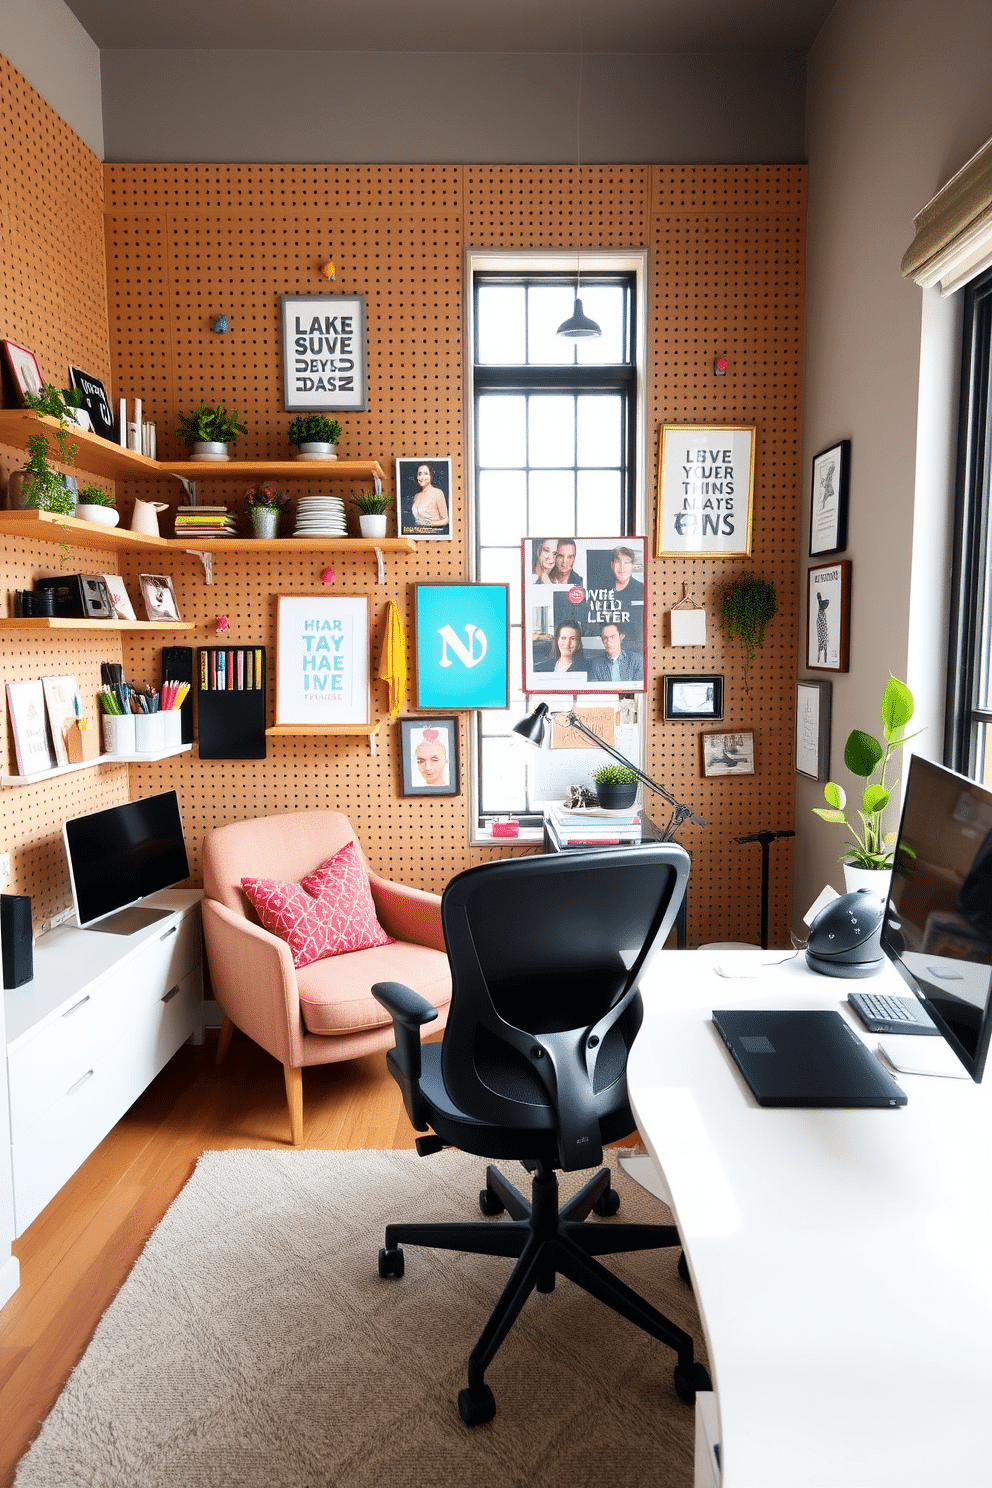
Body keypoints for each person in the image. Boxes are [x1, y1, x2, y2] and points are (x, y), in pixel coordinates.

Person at [410, 462, 448, 530]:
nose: (421, 477)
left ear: (431, 476)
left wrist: (430, 524)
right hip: (418, 534)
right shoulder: (416, 496)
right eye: (419, 474)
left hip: (434, 535)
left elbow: (446, 520)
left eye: (425, 474)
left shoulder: (437, 493)